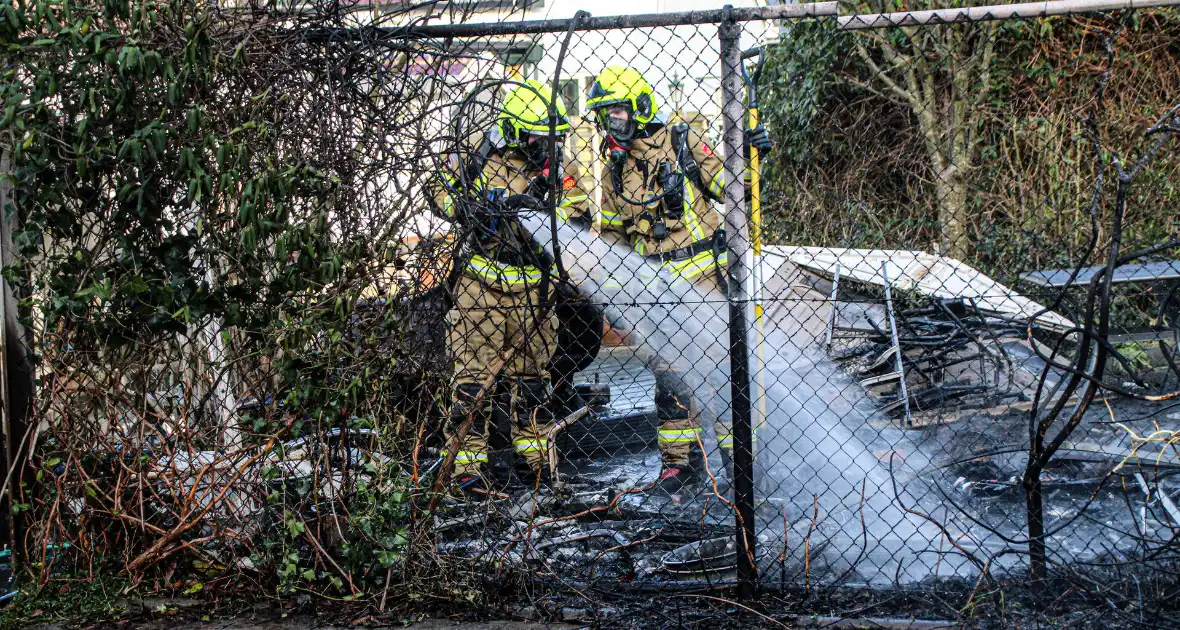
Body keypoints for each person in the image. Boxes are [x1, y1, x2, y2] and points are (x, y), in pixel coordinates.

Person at [584, 66, 772, 492]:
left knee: (723, 373)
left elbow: (731, 187)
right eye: (603, 115)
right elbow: (613, 235)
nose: (607, 123)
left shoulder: (681, 141)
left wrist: (751, 153)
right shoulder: (614, 166)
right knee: (670, 382)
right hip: (654, 296)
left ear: (640, 108)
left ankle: (741, 463)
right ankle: (678, 468)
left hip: (703, 282)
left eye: (614, 112)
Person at [432, 80, 592, 496]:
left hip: (535, 294)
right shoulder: (478, 153)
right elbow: (440, 191)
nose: (547, 145)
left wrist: (545, 206)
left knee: (534, 384)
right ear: (515, 130)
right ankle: (468, 474)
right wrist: (469, 207)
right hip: (479, 285)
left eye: (552, 137)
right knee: (472, 385)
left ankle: (538, 468)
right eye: (539, 136)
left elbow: (580, 212)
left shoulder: (556, 165)